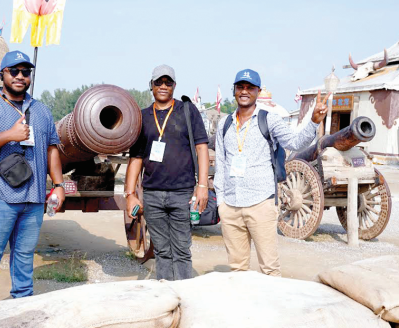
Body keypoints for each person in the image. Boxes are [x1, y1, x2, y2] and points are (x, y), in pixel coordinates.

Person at [0, 50, 66, 300]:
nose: (20, 76)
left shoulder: (42, 110)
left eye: (26, 72)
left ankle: (22, 303)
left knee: (25, 254)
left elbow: (52, 149)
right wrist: (10, 135)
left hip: (33, 197)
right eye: (14, 71)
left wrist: (59, 185)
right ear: (2, 74)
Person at [214, 69, 329, 276]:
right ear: (234, 90)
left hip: (261, 205)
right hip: (230, 206)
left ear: (258, 92)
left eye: (250, 88)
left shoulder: (269, 120)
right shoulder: (225, 124)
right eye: (240, 87)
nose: (244, 91)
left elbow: (294, 142)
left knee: (269, 268)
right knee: (237, 270)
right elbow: (221, 164)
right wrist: (221, 202)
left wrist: (314, 121)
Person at [125, 64, 209, 280]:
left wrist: (202, 186)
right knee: (162, 251)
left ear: (174, 85)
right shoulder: (142, 117)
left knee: (181, 250)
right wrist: (130, 194)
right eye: (158, 82)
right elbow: (135, 158)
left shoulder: (188, 111)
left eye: (168, 82)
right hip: (152, 194)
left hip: (181, 193)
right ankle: (166, 295)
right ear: (150, 86)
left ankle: (185, 298)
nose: (163, 86)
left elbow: (201, 149)